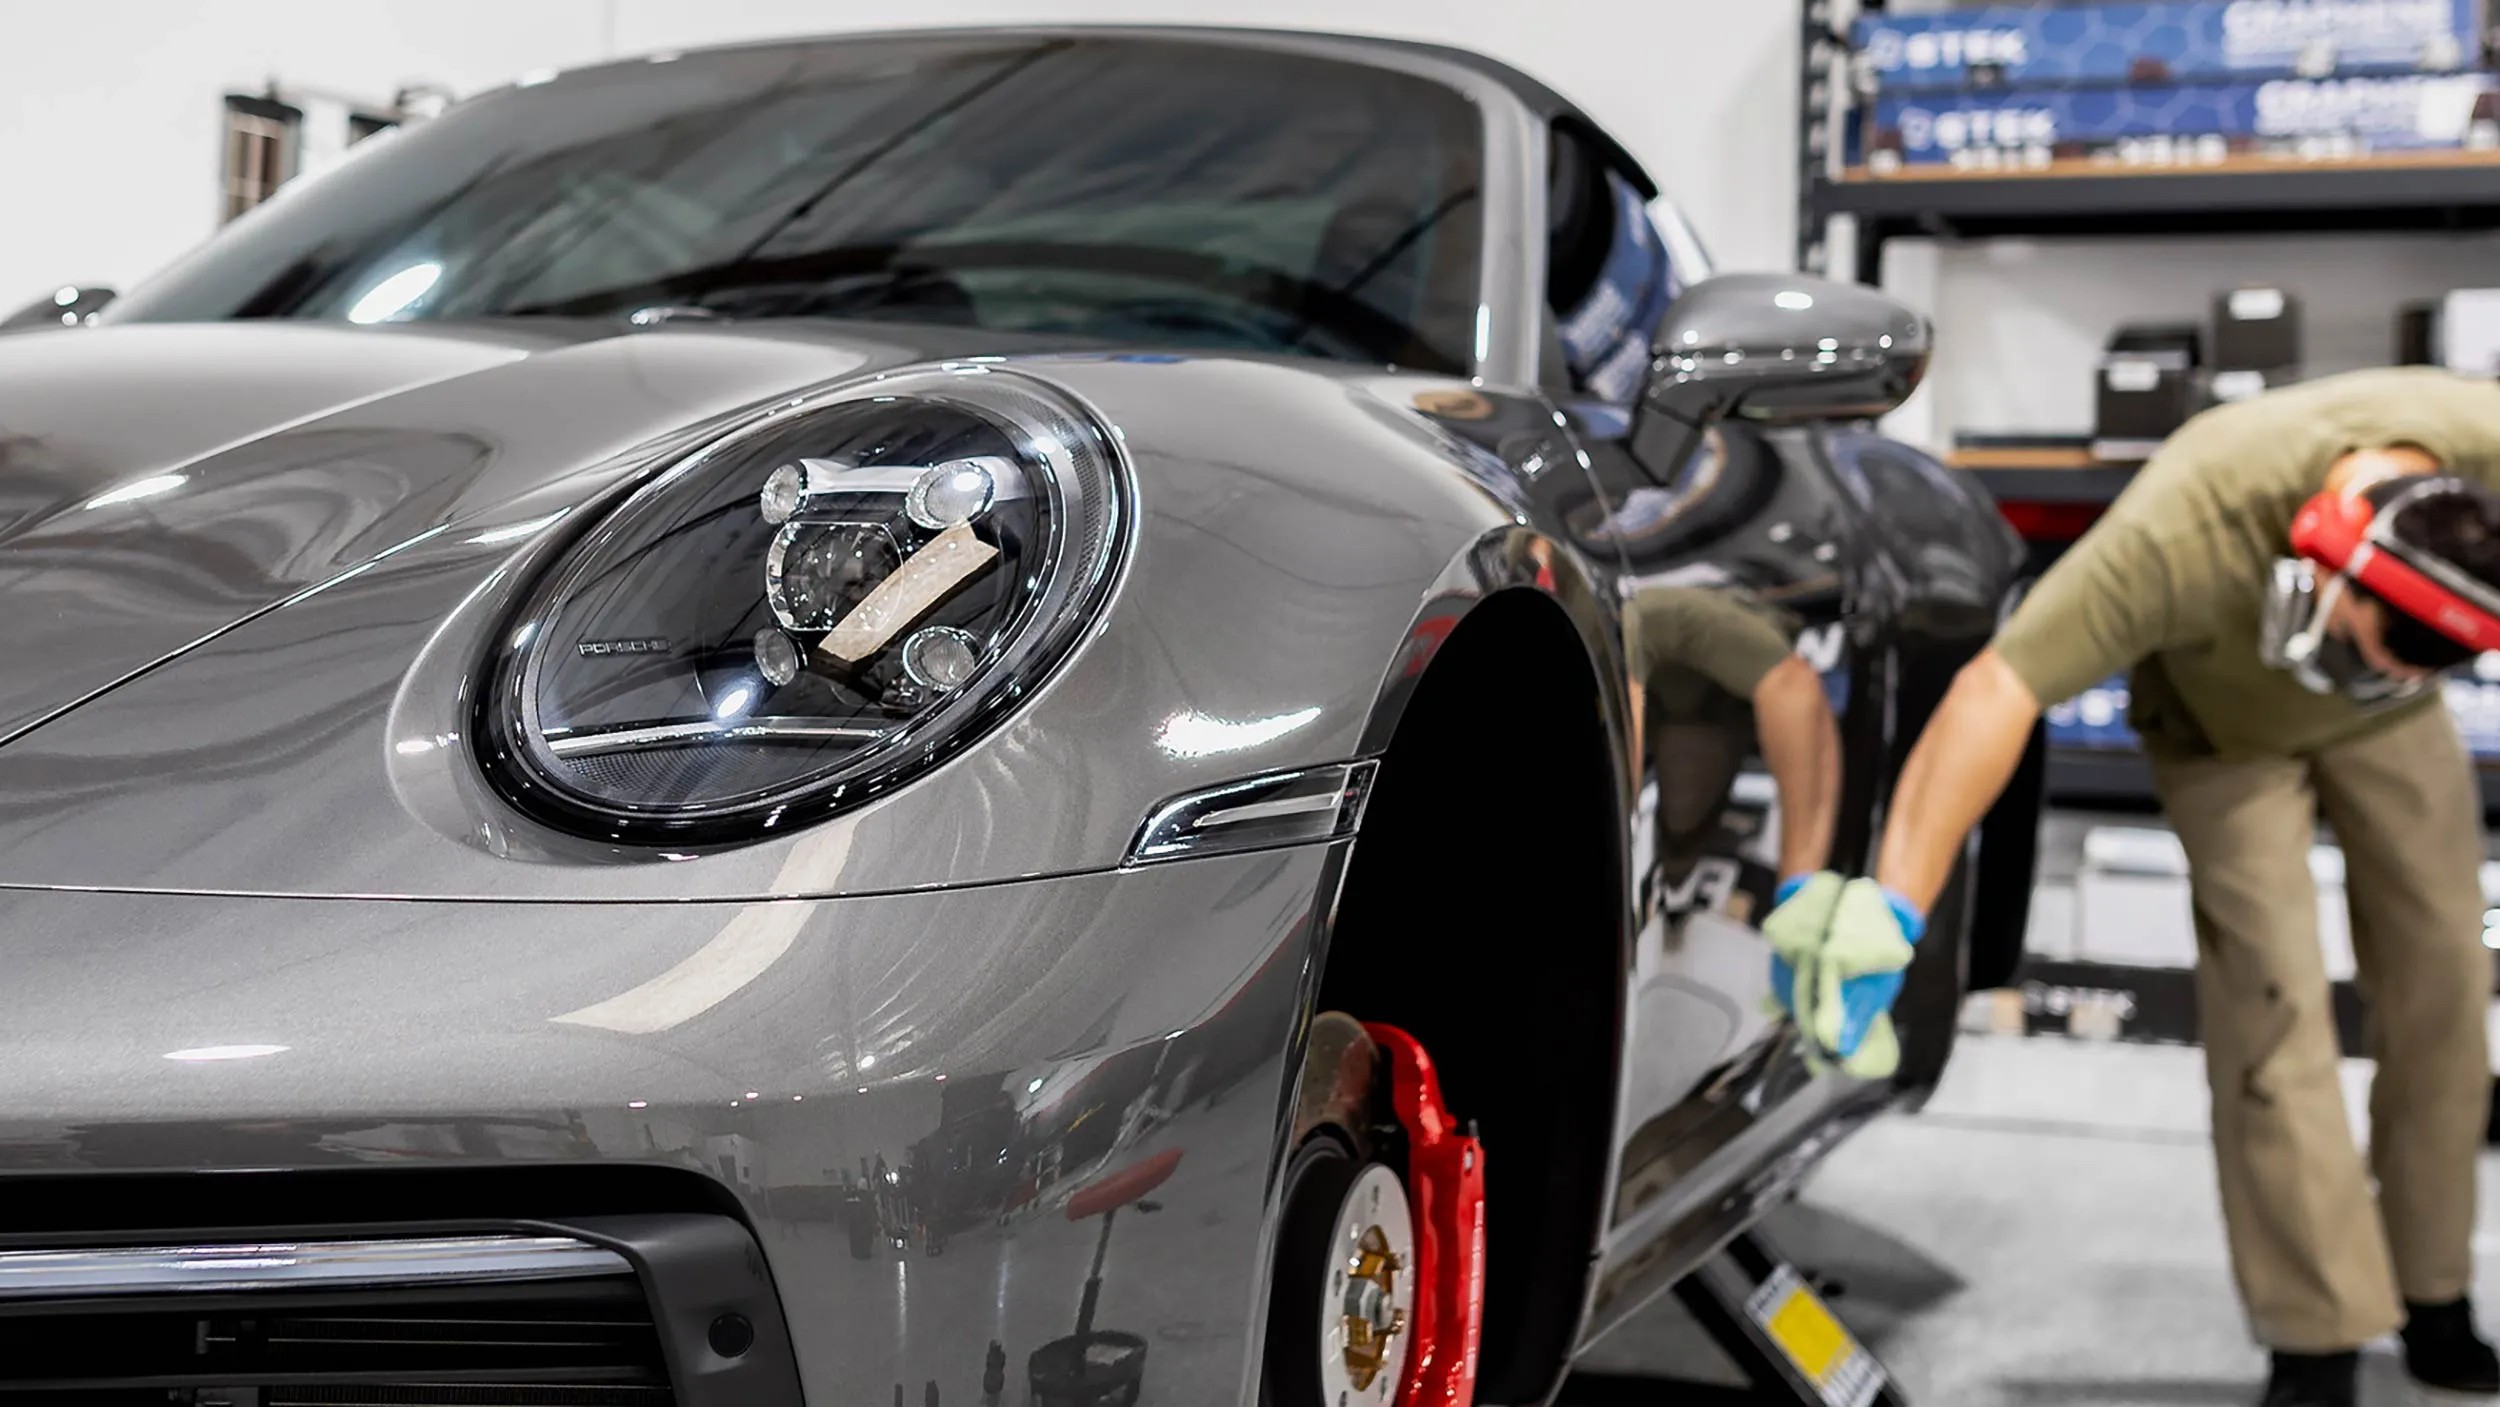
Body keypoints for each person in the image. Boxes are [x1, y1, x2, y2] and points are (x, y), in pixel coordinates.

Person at [1765, 365, 2500, 1407]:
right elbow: (1993, 693)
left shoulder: (2474, 437)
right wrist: (1893, 911)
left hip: (2388, 730)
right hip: (2222, 734)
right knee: (2273, 1004)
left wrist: (2388, 676)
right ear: (2324, 560)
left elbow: (2398, 665)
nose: (2389, 663)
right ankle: (2316, 1333)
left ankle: (2435, 1296)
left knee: (2449, 981)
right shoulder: (2178, 532)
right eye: (2371, 645)